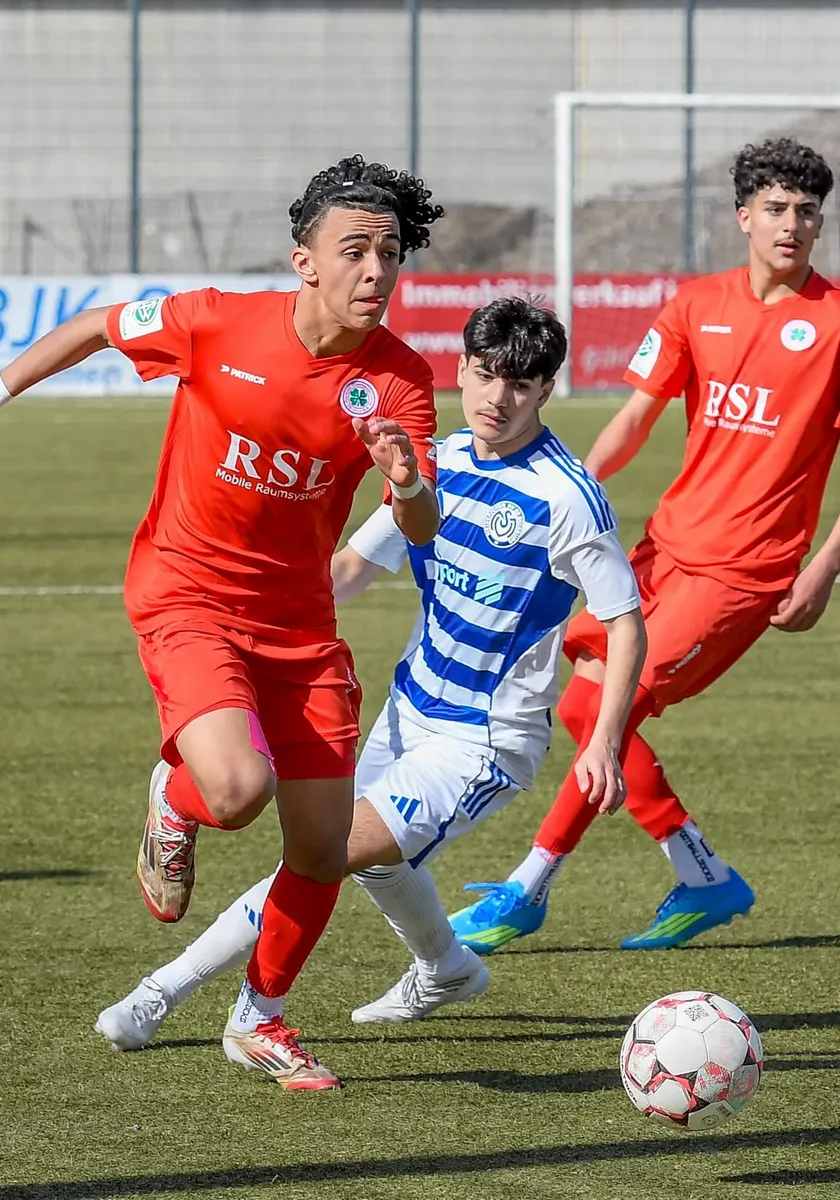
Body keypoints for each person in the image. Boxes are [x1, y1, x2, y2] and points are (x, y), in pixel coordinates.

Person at [93, 295, 646, 1053]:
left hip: (482, 739)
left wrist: (603, 739)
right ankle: (448, 966)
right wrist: (253, 616)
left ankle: (167, 995)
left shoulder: (569, 498)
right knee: (373, 861)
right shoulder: (436, 463)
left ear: (548, 389)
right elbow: (351, 567)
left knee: (328, 852)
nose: (497, 398)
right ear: (461, 369)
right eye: (484, 375)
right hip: (403, 709)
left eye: (520, 384)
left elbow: (624, 619)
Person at [1, 155, 444, 1089]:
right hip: (187, 594)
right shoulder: (215, 321)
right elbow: (93, 327)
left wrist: (405, 482)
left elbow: (420, 521)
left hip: (301, 625)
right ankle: (178, 795)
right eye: (355, 251)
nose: (377, 272)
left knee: (322, 846)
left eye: (391, 254)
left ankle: (261, 1018)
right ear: (305, 261)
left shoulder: (400, 377)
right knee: (237, 791)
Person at [450, 136, 840, 955]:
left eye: (808, 212)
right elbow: (635, 419)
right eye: (776, 209)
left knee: (600, 708)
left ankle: (526, 889)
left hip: (745, 570)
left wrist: (824, 568)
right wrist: (561, 495)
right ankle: (702, 875)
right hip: (664, 546)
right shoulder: (695, 305)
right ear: (744, 217)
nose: (793, 225)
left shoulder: (837, 324)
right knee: (583, 703)